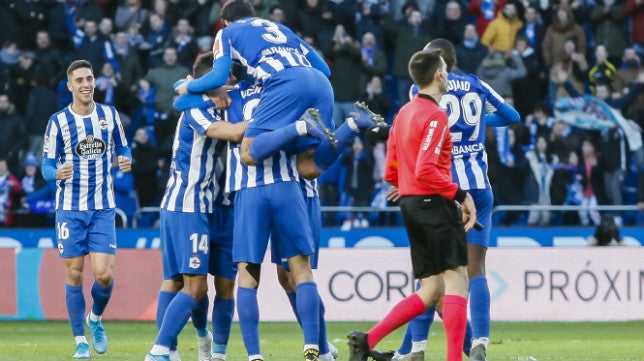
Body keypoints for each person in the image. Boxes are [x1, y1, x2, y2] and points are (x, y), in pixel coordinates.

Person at [379, 39, 520, 361]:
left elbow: (409, 137)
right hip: (480, 187)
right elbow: (511, 115)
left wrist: (406, 180)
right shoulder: (475, 83)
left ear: (435, 64)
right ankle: (479, 342)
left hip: (441, 188)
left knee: (433, 275)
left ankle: (414, 349)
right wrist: (483, 123)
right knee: (476, 269)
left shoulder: (422, 91)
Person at [347, 49, 477, 361]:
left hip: (411, 204)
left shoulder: (403, 113)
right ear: (438, 75)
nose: (447, 74)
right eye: (445, 69)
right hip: (434, 203)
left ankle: (367, 340)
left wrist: (407, 187)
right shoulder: (435, 116)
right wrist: (461, 195)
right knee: (458, 279)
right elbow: (426, 169)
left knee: (432, 288)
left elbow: (392, 170)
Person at [145, 52, 247, 361]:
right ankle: (161, 350)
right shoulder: (198, 109)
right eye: (229, 80)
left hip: (208, 205)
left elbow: (183, 86)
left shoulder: (208, 102)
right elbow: (229, 133)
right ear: (213, 82)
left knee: (198, 282)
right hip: (189, 204)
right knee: (190, 284)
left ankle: (198, 351)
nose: (234, 85)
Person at [174, 0, 334, 176]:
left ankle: (301, 126)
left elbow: (215, 78)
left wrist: (188, 85)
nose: (234, 77)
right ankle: (352, 125)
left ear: (226, 22)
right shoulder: (280, 27)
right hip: (321, 85)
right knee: (308, 168)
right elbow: (325, 70)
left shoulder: (226, 33)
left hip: (284, 82)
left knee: (248, 153)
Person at [41, 59, 132, 359]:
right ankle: (80, 339)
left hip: (103, 207)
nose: (86, 84)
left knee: (103, 275)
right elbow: (45, 165)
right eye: (79, 80)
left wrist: (125, 158)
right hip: (69, 209)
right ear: (70, 86)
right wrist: (56, 173)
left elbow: (123, 146)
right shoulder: (58, 122)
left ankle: (95, 319)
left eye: (89, 78)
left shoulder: (109, 115)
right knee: (75, 273)